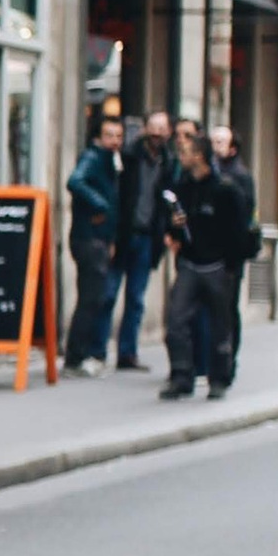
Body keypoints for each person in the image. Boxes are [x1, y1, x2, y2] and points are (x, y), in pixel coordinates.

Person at [160, 124, 255, 401]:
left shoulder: (226, 190)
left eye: (186, 152)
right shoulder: (183, 187)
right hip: (190, 262)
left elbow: (239, 230)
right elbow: (175, 222)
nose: (181, 157)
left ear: (200, 156)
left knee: (219, 325)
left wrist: (232, 265)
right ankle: (181, 375)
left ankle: (219, 378)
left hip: (217, 265)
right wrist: (175, 226)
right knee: (177, 321)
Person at [114, 107, 175, 371]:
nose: (157, 134)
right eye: (154, 127)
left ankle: (127, 353)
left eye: (162, 129)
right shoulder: (128, 157)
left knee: (136, 299)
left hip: (148, 237)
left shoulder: (169, 163)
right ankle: (94, 351)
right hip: (124, 234)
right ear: (145, 129)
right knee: (108, 294)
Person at [65, 112, 123, 374]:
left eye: (119, 136)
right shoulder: (92, 157)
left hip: (98, 237)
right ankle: (75, 357)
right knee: (90, 298)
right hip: (88, 237)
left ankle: (81, 354)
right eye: (109, 135)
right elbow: (74, 181)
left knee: (94, 297)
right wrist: (100, 204)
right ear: (98, 136)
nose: (114, 141)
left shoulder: (111, 160)